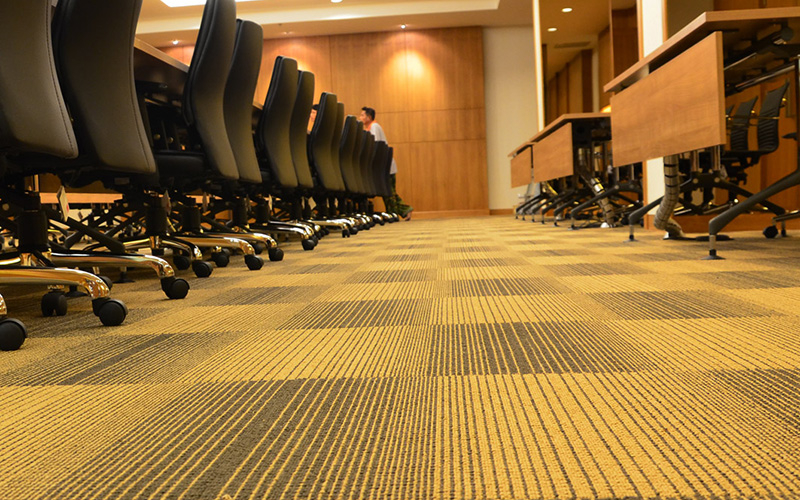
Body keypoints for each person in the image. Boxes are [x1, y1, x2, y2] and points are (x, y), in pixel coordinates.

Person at [359, 106, 413, 220]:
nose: (360, 117)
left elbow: (375, 145)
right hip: (384, 166)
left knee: (389, 193)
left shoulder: (374, 127)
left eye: (362, 115)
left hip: (385, 167)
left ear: (369, 117)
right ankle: (403, 211)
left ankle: (397, 212)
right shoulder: (372, 127)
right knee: (389, 192)